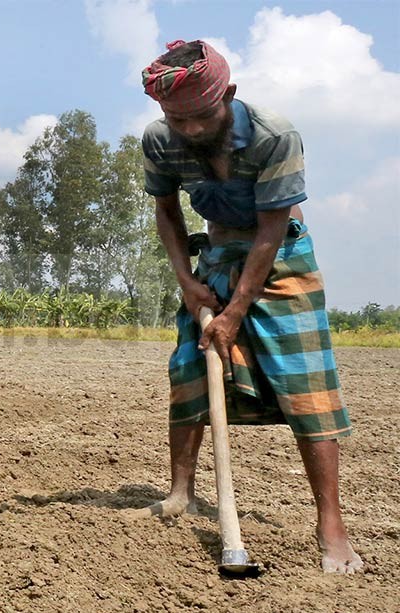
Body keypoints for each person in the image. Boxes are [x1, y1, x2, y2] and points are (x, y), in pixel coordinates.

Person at [136, 40, 361, 574]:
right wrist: (188, 282)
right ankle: (181, 493)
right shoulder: (159, 140)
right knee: (190, 369)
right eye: (176, 118)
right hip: (213, 254)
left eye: (200, 116)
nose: (188, 129)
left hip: (280, 255)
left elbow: (271, 228)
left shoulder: (273, 135)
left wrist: (237, 309)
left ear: (228, 95)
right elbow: (167, 213)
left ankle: (331, 525)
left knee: (307, 385)